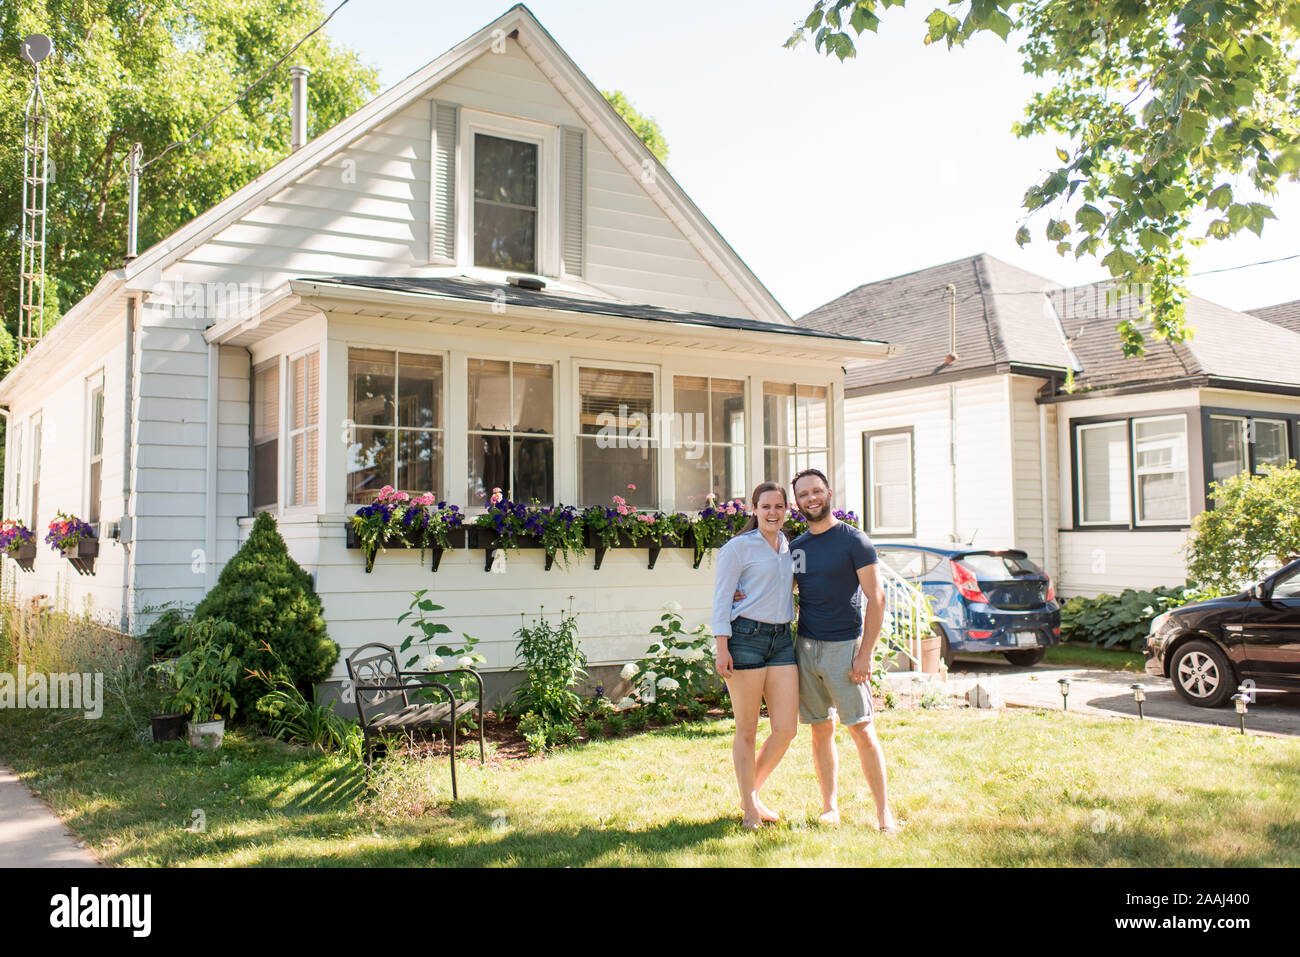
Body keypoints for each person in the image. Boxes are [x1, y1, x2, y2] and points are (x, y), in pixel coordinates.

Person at [789, 467, 900, 832]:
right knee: (819, 730)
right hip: (805, 648)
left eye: (816, 491)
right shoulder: (798, 547)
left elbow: (876, 597)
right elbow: (785, 588)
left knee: (862, 729)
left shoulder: (855, 541)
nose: (811, 499)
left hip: (844, 647)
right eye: (803, 494)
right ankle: (829, 806)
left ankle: (884, 813)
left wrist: (865, 653)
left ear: (829, 492)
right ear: (797, 502)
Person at [711, 481, 798, 829]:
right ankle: (750, 811)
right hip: (745, 637)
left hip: (782, 640)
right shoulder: (737, 548)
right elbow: (721, 599)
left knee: (786, 728)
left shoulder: (790, 548)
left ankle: (753, 792)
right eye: (766, 507)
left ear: (786, 511)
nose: (773, 513)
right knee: (746, 730)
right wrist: (722, 647)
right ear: (754, 510)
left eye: (779, 507)